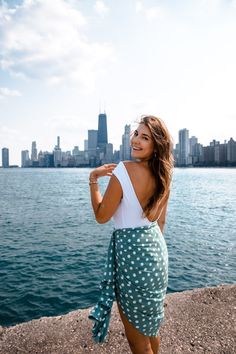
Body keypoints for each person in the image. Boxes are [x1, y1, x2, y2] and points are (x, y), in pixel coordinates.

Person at [88, 115, 174, 354]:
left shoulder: (124, 170)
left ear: (156, 145)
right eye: (136, 134)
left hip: (133, 257)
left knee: (137, 339)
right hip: (157, 252)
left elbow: (101, 216)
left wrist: (93, 180)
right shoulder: (165, 174)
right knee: (150, 327)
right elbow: (161, 221)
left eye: (145, 137)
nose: (136, 140)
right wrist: (149, 253)